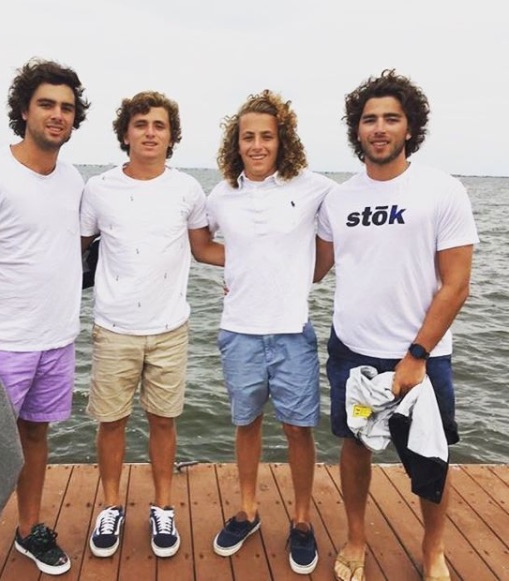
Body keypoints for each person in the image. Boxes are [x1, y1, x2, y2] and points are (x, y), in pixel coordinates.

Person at [314, 69, 479, 581]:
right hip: (353, 353)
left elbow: (457, 283)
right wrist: (243, 272)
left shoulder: (441, 191)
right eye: (369, 120)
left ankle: (433, 549)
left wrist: (418, 354)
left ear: (410, 128)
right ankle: (356, 536)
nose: (379, 128)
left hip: (421, 357)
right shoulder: (337, 200)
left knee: (430, 456)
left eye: (391, 118)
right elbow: (312, 269)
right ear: (356, 130)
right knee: (357, 444)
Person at [0, 58, 90, 580]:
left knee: (34, 438)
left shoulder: (73, 179)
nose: (57, 115)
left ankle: (29, 530)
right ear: (24, 110)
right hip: (0, 341)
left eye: (67, 108)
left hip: (57, 339)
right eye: (47, 104)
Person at [80, 91, 224, 560]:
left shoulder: (187, 190)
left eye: (159, 125)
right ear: (125, 133)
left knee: (164, 421)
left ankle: (163, 506)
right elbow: (72, 250)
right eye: (140, 124)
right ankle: (111, 505)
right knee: (112, 422)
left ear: (171, 136)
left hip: (169, 328)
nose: (149, 132)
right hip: (113, 326)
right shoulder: (98, 188)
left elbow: (205, 249)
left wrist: (262, 265)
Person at [206, 90, 336, 575]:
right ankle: (248, 510)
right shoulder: (221, 194)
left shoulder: (315, 187)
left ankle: (302, 521)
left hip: (290, 331)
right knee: (246, 424)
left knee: (299, 428)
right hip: (238, 330)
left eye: (266, 136)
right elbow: (201, 242)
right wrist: (239, 264)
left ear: (283, 141)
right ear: (235, 143)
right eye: (247, 137)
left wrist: (308, 274)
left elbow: (330, 246)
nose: (257, 145)